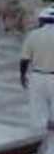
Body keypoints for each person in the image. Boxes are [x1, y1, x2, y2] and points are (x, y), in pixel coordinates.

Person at [22, 7, 54, 136]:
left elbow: (24, 59)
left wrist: (22, 75)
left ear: (42, 21)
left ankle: (41, 144)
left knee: (38, 115)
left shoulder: (33, 35)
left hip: (37, 77)